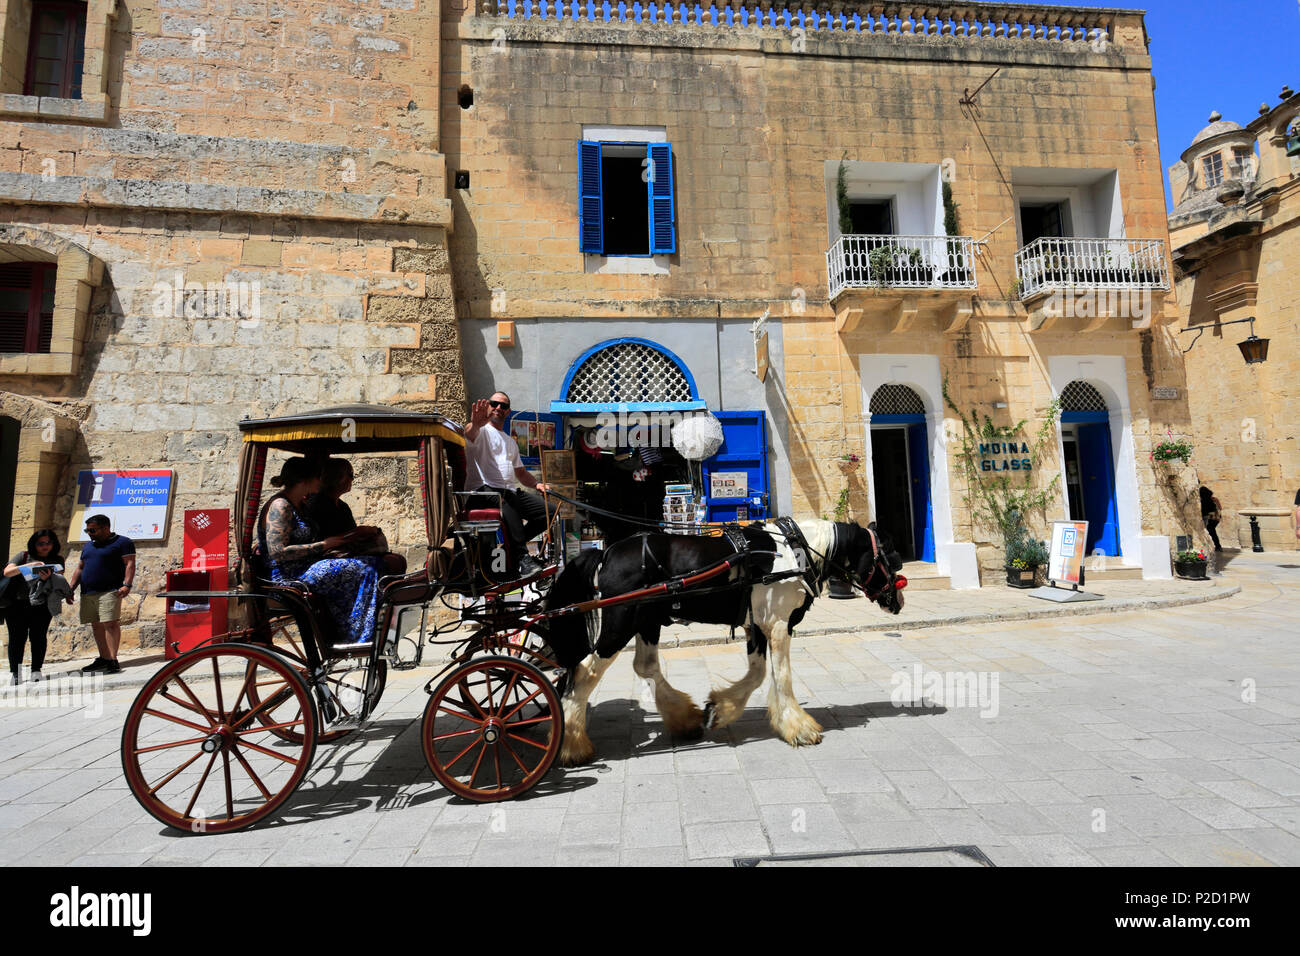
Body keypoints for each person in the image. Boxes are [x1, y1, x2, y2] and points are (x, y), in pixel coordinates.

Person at [259, 457, 385, 645]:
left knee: (372, 562)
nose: (321, 481)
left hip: (307, 567)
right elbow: (278, 552)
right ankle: (357, 634)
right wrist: (325, 545)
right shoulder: (280, 506)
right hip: (288, 576)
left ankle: (351, 624)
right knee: (365, 569)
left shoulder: (300, 505)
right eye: (318, 477)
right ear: (304, 480)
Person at [464, 391, 558, 576]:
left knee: (549, 511)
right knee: (505, 501)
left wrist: (537, 485)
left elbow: (521, 473)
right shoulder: (479, 431)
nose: (498, 408)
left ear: (508, 412)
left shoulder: (510, 442)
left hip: (507, 491)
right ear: (489, 406)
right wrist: (476, 423)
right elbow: (469, 432)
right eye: (494, 404)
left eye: (503, 406)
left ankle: (511, 548)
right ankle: (522, 557)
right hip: (482, 492)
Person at [306, 458, 406, 576]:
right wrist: (357, 533)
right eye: (350, 475)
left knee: (398, 560)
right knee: (391, 563)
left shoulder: (343, 507)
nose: (352, 479)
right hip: (327, 556)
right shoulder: (317, 504)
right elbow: (318, 539)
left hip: (347, 551)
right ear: (337, 477)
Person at [65, 515, 135, 675]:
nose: (89, 533)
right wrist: (71, 587)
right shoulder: (88, 546)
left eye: (92, 530)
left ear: (105, 528)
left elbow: (130, 564)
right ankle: (104, 658)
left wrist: (127, 584)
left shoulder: (123, 542)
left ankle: (113, 659)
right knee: (96, 625)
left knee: (110, 623)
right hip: (88, 591)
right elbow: (80, 568)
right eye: (87, 530)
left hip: (110, 590)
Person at [2, 530, 65, 684]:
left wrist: (47, 576)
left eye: (48, 543)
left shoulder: (57, 559)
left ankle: (36, 670)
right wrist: (29, 566)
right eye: (40, 543)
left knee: (38, 636)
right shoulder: (23, 556)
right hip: (18, 603)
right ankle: (15, 673)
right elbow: (7, 572)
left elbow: (59, 576)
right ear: (34, 544)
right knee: (17, 638)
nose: (45, 546)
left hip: (42, 603)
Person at [1199, 485, 1223, 552]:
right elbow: (1220, 508)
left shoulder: (1202, 501)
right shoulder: (1214, 499)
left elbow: (1203, 511)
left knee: (1210, 531)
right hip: (1217, 518)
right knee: (1212, 531)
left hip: (1209, 518)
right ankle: (1217, 546)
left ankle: (1216, 546)